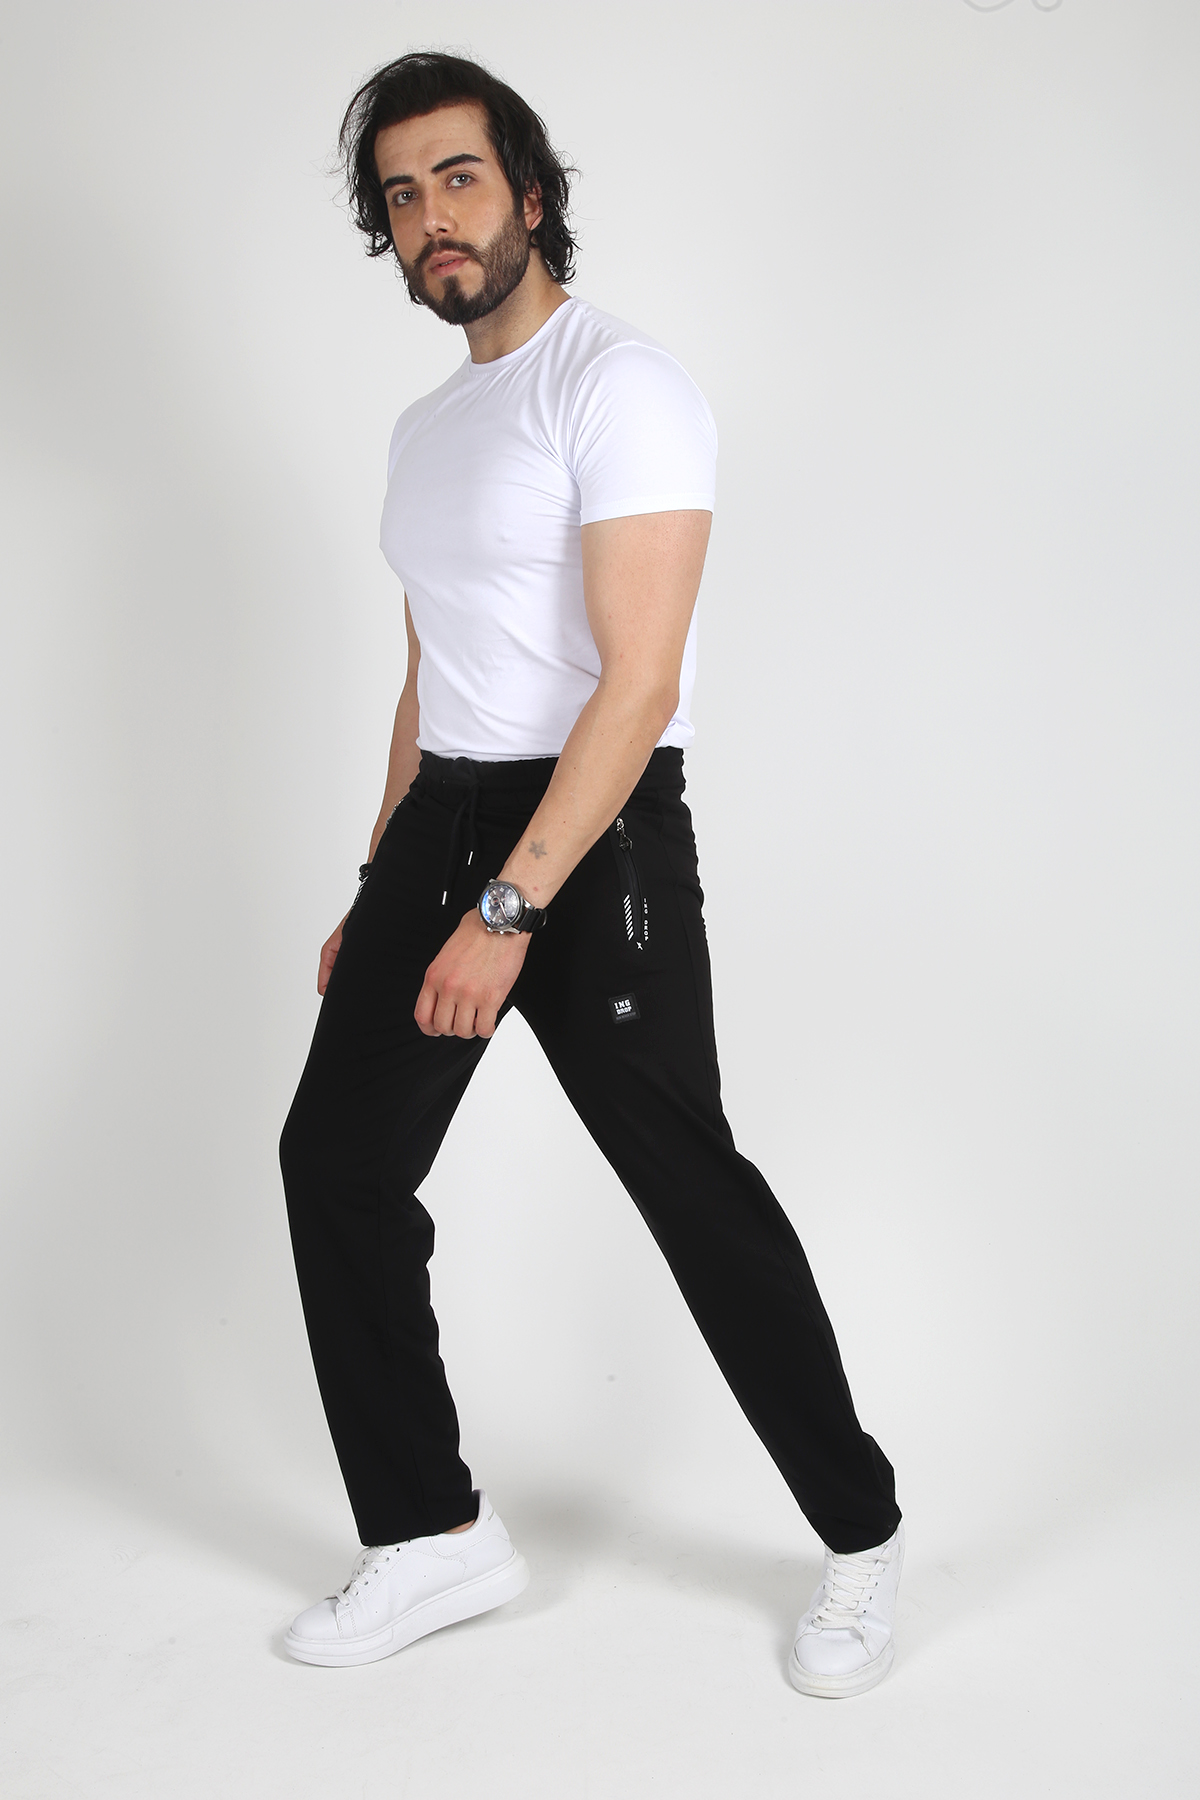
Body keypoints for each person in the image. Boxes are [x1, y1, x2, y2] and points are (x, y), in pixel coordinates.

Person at [279, 51, 903, 1697]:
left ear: (531, 192)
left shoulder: (621, 386)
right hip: (445, 819)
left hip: (597, 824)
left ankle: (861, 1537)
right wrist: (383, 873)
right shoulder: (427, 427)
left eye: (459, 178)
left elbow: (635, 685)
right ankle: (432, 1533)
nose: (434, 218)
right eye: (402, 196)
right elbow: (432, 667)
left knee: (685, 1180)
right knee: (335, 1164)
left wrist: (508, 910)